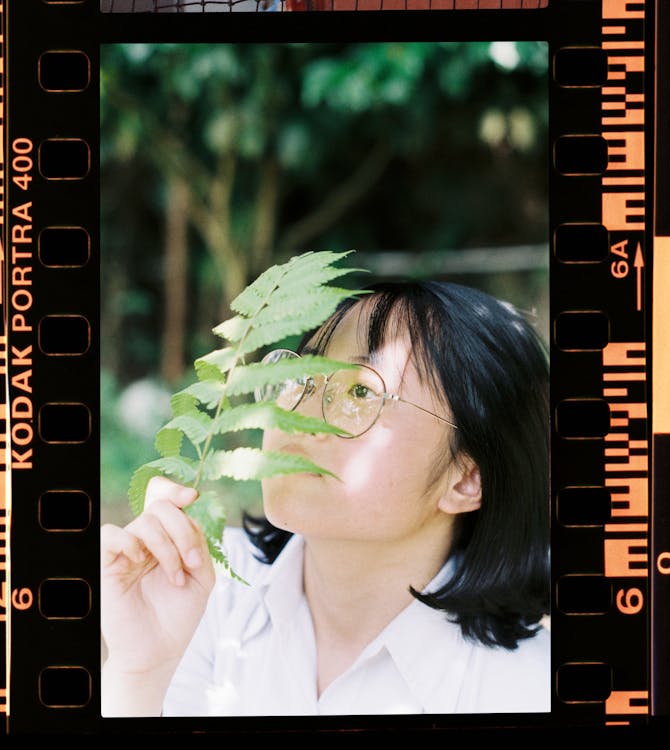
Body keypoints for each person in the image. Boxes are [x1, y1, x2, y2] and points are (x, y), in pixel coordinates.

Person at [101, 279, 551, 717]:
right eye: (300, 376)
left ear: (466, 479)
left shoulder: (525, 689)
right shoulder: (203, 590)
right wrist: (139, 671)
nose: (298, 413)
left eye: (360, 390)